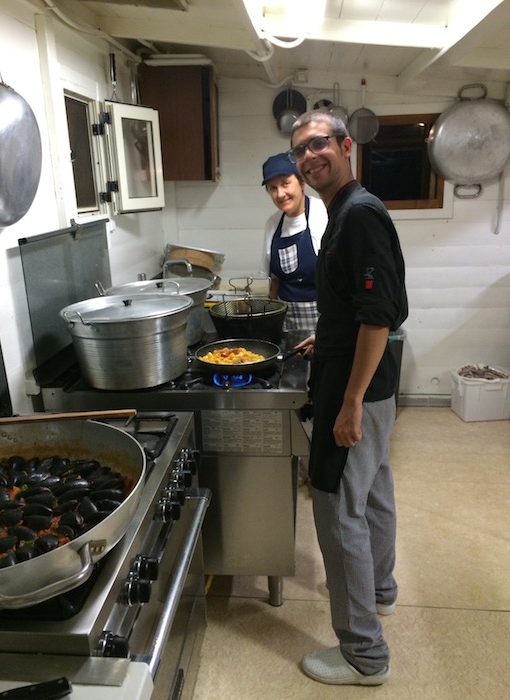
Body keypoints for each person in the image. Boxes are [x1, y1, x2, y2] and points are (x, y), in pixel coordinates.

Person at [290, 111, 408, 686]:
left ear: (344, 146)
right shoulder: (346, 209)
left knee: (338, 513)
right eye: (299, 151)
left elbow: (380, 316)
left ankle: (364, 654)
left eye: (318, 145)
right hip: (374, 380)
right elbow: (358, 308)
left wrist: (350, 401)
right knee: (375, 490)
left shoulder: (357, 214)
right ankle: (381, 591)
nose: (309, 157)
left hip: (356, 389)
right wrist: (329, 332)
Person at [259, 152, 328, 332]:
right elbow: (274, 282)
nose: (280, 194)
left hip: (323, 320)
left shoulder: (324, 214)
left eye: (285, 184)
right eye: (272, 188)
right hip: (286, 323)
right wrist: (269, 323)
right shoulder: (273, 224)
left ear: (302, 183)